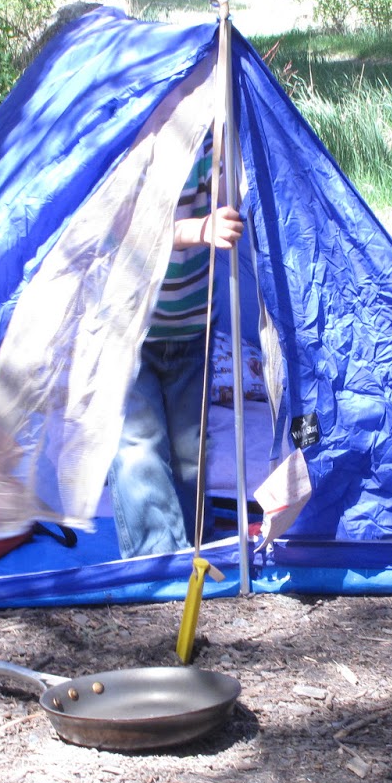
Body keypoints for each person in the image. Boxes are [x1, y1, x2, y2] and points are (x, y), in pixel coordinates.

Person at [107, 141, 244, 560]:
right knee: (138, 445)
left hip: (191, 326)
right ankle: (157, 556)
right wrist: (198, 230)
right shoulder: (128, 141)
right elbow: (123, 228)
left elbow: (233, 205)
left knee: (190, 452)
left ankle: (189, 544)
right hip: (129, 328)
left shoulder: (207, 140)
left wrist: (226, 160)